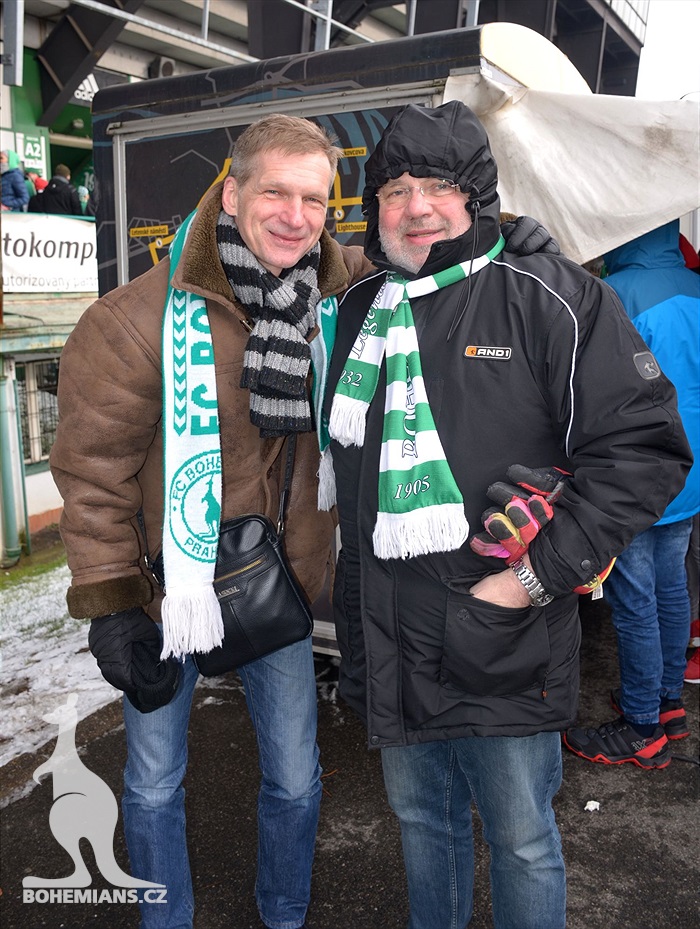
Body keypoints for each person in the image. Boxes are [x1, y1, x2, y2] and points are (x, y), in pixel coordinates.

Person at [50, 109, 562, 929]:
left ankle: (283, 914)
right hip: (164, 591)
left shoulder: (345, 289)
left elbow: (431, 256)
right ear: (231, 193)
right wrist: (110, 602)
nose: (296, 216)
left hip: (278, 587)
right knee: (152, 779)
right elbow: (92, 476)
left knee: (294, 774)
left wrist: (500, 247)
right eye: (276, 194)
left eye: (316, 200)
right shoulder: (133, 320)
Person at [321, 101, 692, 929]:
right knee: (424, 823)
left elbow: (645, 450)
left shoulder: (551, 297)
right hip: (389, 627)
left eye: (439, 186)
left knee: (523, 836)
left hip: (503, 630)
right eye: (394, 187)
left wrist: (533, 578)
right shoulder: (358, 309)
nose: (415, 205)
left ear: (478, 196)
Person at [564, 221, 699, 760]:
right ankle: (668, 704)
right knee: (671, 588)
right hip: (689, 469)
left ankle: (643, 727)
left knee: (635, 598)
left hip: (638, 471)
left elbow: (594, 393)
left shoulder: (614, 295)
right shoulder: (694, 286)